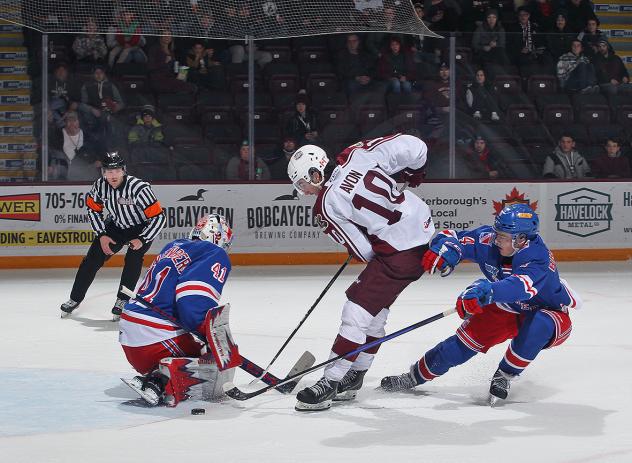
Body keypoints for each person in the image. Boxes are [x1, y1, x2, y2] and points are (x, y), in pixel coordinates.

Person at [287, 134, 434, 411]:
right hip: (423, 229)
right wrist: (414, 172)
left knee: (356, 313)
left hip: (400, 253)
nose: (304, 191)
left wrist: (373, 240)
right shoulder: (356, 153)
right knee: (374, 314)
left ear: (315, 172)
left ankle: (330, 381)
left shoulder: (326, 205)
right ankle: (355, 376)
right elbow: (415, 146)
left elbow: (363, 251)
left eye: (303, 183)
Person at [381, 204, 582, 405]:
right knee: (460, 347)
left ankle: (505, 374)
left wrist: (486, 290)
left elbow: (520, 287)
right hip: (507, 307)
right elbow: (452, 236)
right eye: (497, 233)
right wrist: (447, 250)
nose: (496, 239)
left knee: (540, 325)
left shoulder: (537, 256)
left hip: (549, 312)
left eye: (503, 236)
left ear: (521, 239)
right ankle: (413, 377)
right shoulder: (490, 241)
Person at [119, 214, 234, 407]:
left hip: (131, 333)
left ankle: (153, 375)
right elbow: (191, 303)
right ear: (220, 237)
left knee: (200, 348)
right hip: (154, 335)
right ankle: (162, 379)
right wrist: (210, 336)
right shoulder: (213, 253)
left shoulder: (173, 246)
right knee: (211, 362)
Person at [60, 152, 166, 320]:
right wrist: (101, 234)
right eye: (109, 171)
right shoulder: (99, 186)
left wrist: (143, 239)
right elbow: (93, 210)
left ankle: (122, 300)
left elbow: (159, 217)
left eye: (117, 171)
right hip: (116, 227)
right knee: (91, 260)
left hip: (141, 229)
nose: (113, 175)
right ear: (103, 172)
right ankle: (75, 298)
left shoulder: (139, 188)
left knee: (133, 259)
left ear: (124, 171)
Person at [49, 111, 101, 181]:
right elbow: (51, 153)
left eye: (74, 120)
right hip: (62, 178)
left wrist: (98, 162)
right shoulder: (57, 136)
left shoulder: (89, 138)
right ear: (65, 122)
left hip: (85, 177)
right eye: (69, 121)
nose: (72, 123)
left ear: (79, 122)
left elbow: (100, 157)